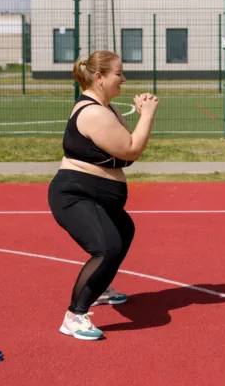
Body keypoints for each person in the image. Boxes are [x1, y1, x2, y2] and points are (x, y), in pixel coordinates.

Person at [48, 50, 159, 341]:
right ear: (99, 77)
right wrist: (147, 114)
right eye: (118, 73)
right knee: (107, 248)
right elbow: (132, 148)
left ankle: (99, 286)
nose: (124, 79)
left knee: (124, 230)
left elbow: (126, 151)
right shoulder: (93, 112)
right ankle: (74, 316)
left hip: (96, 196)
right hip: (75, 195)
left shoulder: (105, 107)